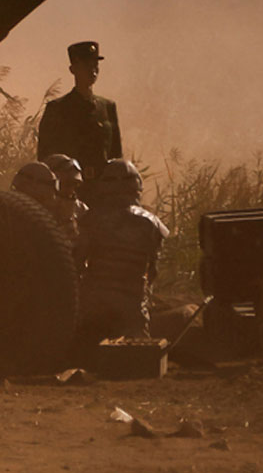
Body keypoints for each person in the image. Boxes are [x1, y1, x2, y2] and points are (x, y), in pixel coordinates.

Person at [75, 158, 167, 344]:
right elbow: (154, 268)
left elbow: (77, 261)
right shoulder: (151, 223)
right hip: (132, 300)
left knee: (84, 346)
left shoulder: (89, 220)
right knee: (137, 352)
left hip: (95, 298)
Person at [37, 41, 122, 198]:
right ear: (73, 69)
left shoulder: (108, 107)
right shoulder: (57, 108)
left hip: (103, 192)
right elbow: (45, 156)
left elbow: (116, 155)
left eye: (95, 65)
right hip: (70, 192)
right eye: (86, 66)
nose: (93, 71)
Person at [41, 153, 89, 237]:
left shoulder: (81, 209)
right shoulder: (38, 208)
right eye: (67, 184)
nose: (71, 190)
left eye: (75, 184)